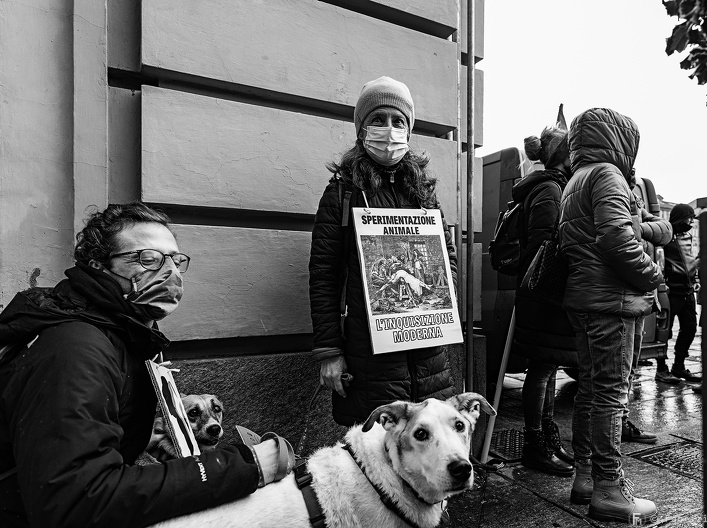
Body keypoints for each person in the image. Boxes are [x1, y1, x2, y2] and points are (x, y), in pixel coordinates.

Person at [0, 203, 290, 527]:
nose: (171, 273)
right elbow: (78, 501)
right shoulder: (76, 352)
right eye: (148, 258)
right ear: (99, 266)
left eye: (175, 260)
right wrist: (243, 466)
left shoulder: (126, 334)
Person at [309, 76, 457, 426]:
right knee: (377, 456)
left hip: (427, 352)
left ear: (408, 131)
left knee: (426, 454)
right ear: (362, 129)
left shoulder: (423, 193)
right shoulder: (342, 194)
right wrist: (330, 352)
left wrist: (438, 307)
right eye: (378, 120)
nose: (388, 130)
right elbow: (324, 277)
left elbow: (447, 260)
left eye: (398, 121)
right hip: (370, 357)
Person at [559, 108, 662, 523]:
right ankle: (610, 489)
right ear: (621, 140)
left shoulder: (576, 179)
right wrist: (652, 275)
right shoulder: (608, 175)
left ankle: (585, 477)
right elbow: (617, 237)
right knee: (611, 396)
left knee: (590, 391)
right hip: (612, 304)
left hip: (586, 301)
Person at [511, 126, 576, 477]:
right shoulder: (550, 188)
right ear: (563, 156)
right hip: (543, 292)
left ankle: (548, 439)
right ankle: (535, 445)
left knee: (548, 366)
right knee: (540, 369)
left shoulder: (552, 185)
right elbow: (543, 245)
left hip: (546, 291)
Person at [620, 191, 674, 445]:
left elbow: (666, 229)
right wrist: (654, 274)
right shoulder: (608, 185)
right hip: (625, 295)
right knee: (616, 374)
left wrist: (638, 226)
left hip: (641, 296)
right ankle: (607, 434)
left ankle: (620, 422)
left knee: (630, 367)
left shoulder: (633, 196)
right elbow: (618, 241)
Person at [658, 203, 701, 383]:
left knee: (690, 328)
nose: (691, 221)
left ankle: (679, 366)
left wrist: (695, 280)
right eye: (688, 217)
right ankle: (661, 370)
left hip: (688, 291)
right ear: (679, 217)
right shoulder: (664, 236)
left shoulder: (688, 236)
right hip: (671, 292)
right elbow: (659, 260)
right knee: (664, 333)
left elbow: (689, 261)